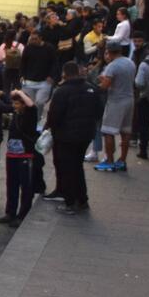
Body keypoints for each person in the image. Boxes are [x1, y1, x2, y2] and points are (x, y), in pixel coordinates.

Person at [46, 60, 104, 214]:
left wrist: (50, 127)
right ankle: (81, 199)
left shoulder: (62, 91)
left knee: (67, 168)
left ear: (64, 74)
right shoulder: (91, 89)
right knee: (77, 166)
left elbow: (54, 115)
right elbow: (99, 111)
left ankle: (70, 202)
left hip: (66, 136)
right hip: (85, 135)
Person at [0, 90, 41, 225]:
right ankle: (10, 212)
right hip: (11, 154)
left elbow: (32, 106)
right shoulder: (15, 116)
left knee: (25, 185)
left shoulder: (30, 115)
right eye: (14, 103)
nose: (15, 106)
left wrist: (20, 93)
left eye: (17, 103)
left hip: (25, 154)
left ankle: (22, 214)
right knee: (11, 184)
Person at [95, 41, 138, 173]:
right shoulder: (130, 62)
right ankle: (122, 160)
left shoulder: (112, 67)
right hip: (129, 99)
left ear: (109, 51)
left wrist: (101, 80)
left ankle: (109, 161)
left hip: (116, 101)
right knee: (125, 132)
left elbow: (105, 86)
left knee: (108, 131)